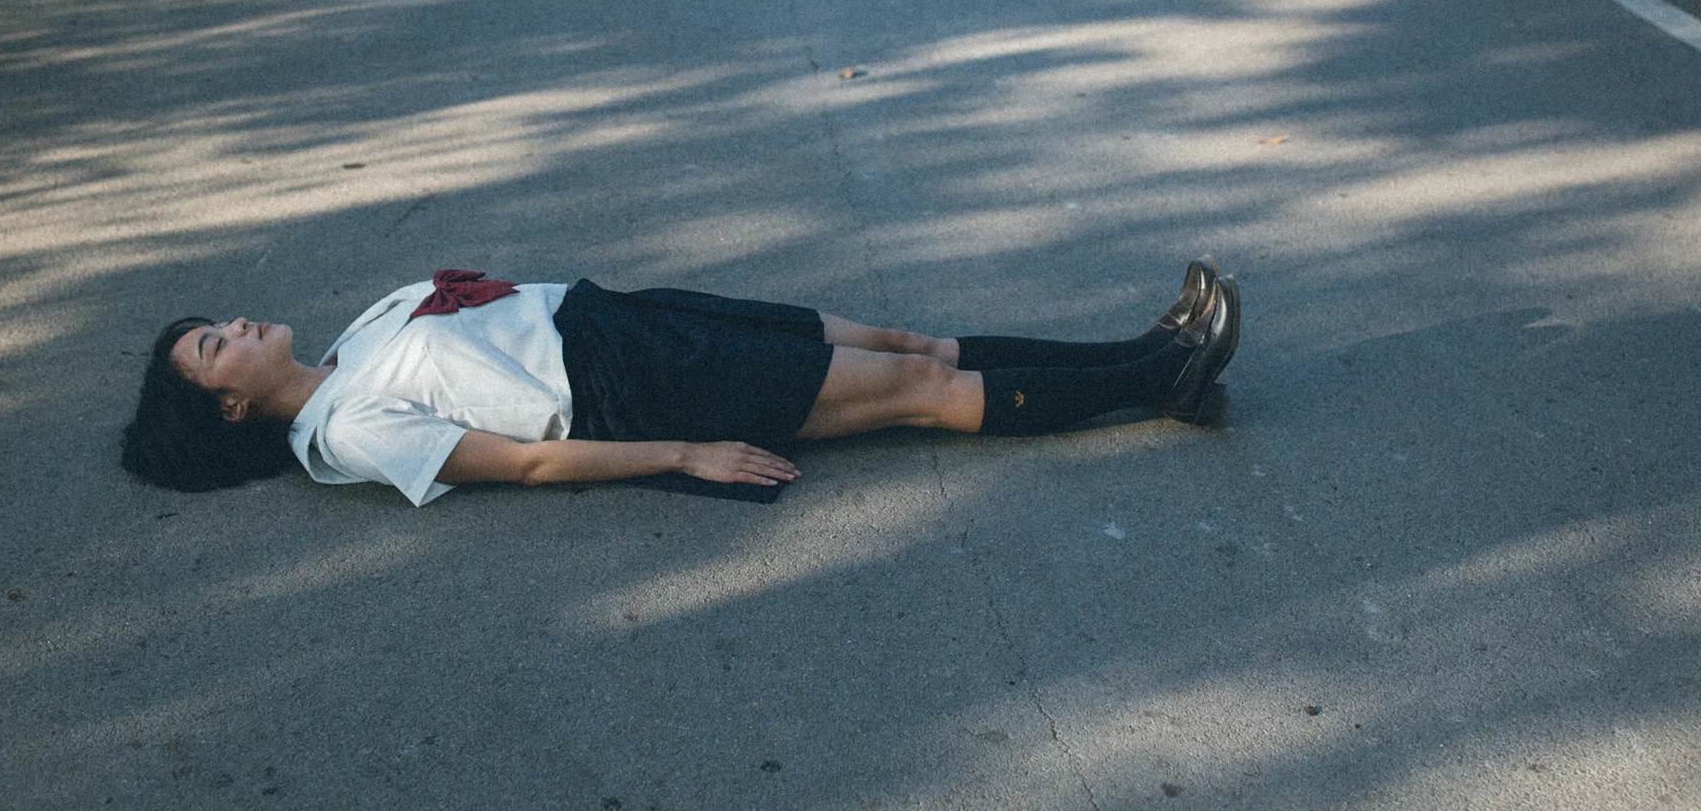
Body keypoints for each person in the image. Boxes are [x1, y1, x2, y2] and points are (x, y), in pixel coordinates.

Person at [120, 261, 1240, 504]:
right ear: (231, 404)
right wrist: (684, 452)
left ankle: (1139, 346)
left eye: (217, 323)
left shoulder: (354, 338)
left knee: (917, 342)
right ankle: (1166, 374)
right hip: (634, 383)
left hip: (620, 317)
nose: (238, 323)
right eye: (218, 346)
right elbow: (527, 459)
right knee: (914, 387)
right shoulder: (350, 427)